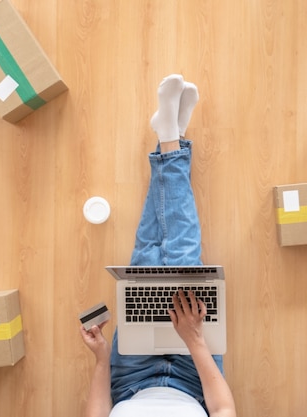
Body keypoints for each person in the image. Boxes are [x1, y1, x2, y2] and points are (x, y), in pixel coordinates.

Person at [79, 74, 237, 417]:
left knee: (147, 258)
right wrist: (193, 338)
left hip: (130, 376)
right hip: (194, 378)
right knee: (181, 261)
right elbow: (224, 408)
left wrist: (102, 357)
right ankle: (170, 137)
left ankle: (171, 138)